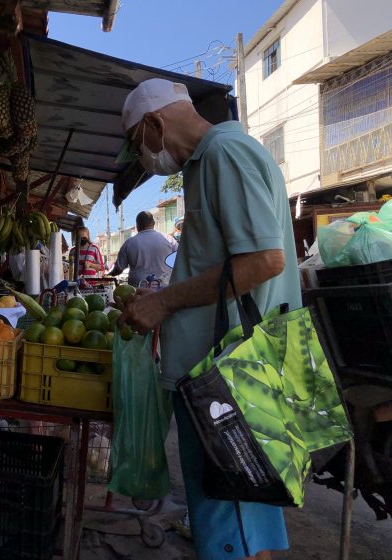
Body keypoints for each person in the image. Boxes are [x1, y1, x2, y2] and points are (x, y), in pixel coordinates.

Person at [115, 78, 301, 560]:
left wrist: (166, 303)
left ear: (155, 123)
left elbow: (264, 261)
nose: (146, 160)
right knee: (247, 516)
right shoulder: (213, 159)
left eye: (141, 146)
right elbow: (219, 261)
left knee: (227, 518)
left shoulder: (224, 154)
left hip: (226, 380)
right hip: (231, 375)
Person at [108, 210, 177, 288]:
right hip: (164, 289)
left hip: (138, 290)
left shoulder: (129, 243)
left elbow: (119, 268)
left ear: (137, 225)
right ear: (153, 224)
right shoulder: (169, 240)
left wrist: (109, 274)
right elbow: (180, 261)